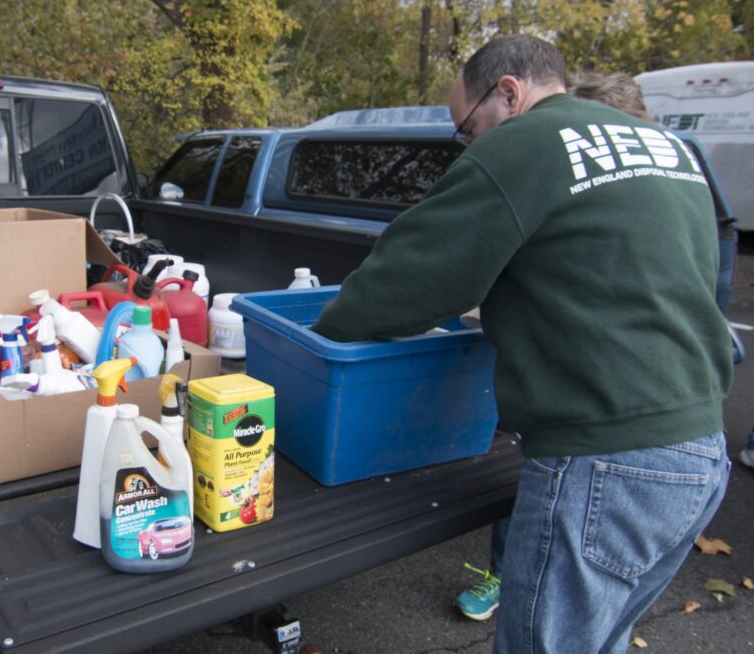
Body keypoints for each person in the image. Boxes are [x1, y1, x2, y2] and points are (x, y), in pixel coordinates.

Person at [311, 35, 733, 653]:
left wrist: (319, 336)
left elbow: (409, 282)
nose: (471, 145)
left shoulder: (525, 143)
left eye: (468, 129)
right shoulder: (664, 146)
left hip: (604, 458)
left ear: (508, 93)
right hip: (698, 451)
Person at [452, 69, 656, 623]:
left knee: (558, 618)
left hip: (601, 431)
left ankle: (515, 572)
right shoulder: (559, 170)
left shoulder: (636, 193)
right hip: (669, 440)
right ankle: (508, 570)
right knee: (595, 620)